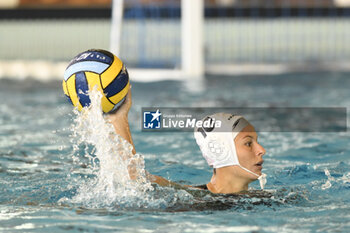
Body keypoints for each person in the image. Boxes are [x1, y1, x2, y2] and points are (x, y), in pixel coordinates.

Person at [107, 86, 267, 194]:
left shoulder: (271, 199)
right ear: (221, 150)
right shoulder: (193, 198)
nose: (261, 150)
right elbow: (134, 177)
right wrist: (118, 118)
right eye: (248, 143)